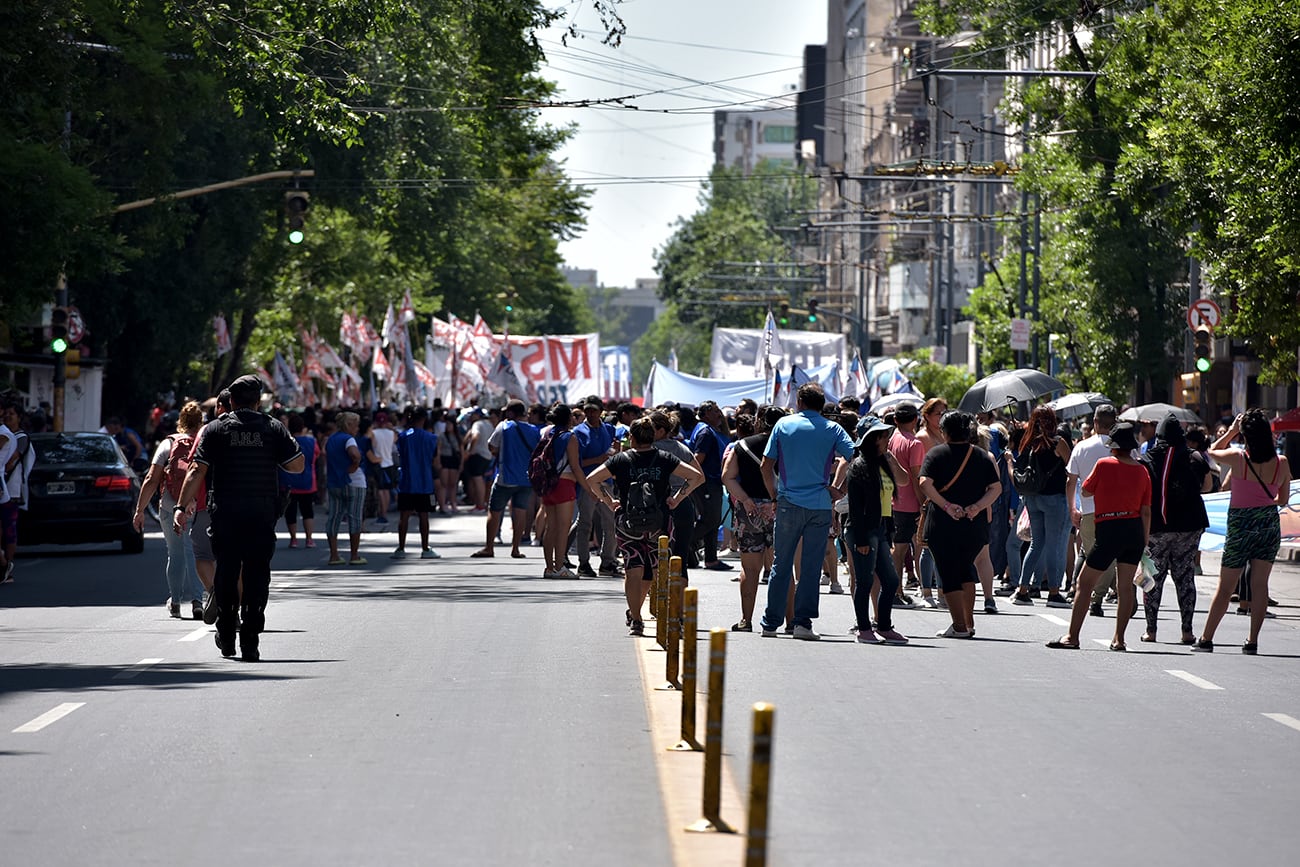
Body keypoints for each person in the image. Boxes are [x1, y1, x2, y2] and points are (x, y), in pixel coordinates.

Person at [173, 376, 303, 661]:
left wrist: (180, 508)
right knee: (257, 576)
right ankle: (251, 641)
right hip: (261, 514)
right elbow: (296, 465)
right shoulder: (273, 428)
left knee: (227, 573)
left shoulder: (216, 429)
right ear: (258, 402)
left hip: (226, 515)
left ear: (230, 401)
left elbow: (196, 470)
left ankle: (227, 635)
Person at [584, 417, 704, 635]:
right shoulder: (665, 458)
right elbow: (696, 477)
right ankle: (669, 617)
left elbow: (592, 479)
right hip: (660, 522)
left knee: (633, 570)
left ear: (632, 437)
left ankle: (636, 618)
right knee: (661, 569)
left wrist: (609, 501)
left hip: (628, 523)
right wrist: (677, 498)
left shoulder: (620, 460)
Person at [758, 383, 856, 641]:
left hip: (789, 502)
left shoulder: (783, 425)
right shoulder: (833, 428)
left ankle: (771, 623)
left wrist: (773, 495)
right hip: (820, 504)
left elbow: (765, 465)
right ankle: (802, 623)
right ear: (821, 404)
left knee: (781, 564)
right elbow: (854, 456)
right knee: (811, 567)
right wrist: (837, 489)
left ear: (800, 401)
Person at [1193, 409, 1292, 654]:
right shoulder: (1282, 462)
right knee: (1260, 586)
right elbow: (1282, 500)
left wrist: (1231, 431)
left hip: (1240, 525)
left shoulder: (1238, 459)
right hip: (1268, 524)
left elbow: (1211, 451)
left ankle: (1206, 638)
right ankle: (1252, 641)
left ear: (1245, 436)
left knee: (1226, 586)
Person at [1047, 423, 1150, 651]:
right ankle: (1119, 639)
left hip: (1109, 527)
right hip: (1133, 530)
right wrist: (1144, 540)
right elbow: (1146, 511)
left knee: (1085, 583)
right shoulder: (1142, 470)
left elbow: (1085, 490)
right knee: (1125, 587)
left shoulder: (1104, 465)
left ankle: (1072, 636)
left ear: (1112, 447)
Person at [919, 411, 1003, 638]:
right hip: (973, 524)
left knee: (949, 573)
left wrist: (946, 505)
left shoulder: (936, 454)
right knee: (966, 569)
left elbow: (925, 483)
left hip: (944, 523)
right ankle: (968, 622)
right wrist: (977, 506)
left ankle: (959, 626)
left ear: (944, 432)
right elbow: (996, 488)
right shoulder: (982, 455)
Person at [1140, 415, 1210, 644]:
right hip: (1189, 528)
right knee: (1185, 576)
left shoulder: (1147, 459)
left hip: (1156, 527)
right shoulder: (1195, 457)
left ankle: (1151, 631)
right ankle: (1187, 632)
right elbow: (1208, 486)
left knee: (1152, 577)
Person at [133, 400, 206, 619]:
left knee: (175, 554)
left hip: (169, 505)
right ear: (201, 421)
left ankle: (175, 602)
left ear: (180, 421)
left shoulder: (168, 444)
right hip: (198, 506)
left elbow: (151, 478)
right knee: (195, 552)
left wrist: (139, 510)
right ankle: (197, 601)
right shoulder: (205, 442)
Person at [841, 416, 909, 645]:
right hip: (862, 531)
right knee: (865, 582)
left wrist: (887, 532)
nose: (886, 439)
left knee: (890, 581)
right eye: (882, 436)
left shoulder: (881, 463)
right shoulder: (858, 467)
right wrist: (861, 538)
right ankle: (863, 629)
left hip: (879, 530)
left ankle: (884, 626)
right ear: (871, 439)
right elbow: (856, 508)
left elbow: (900, 484)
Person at [721, 405, 784, 632]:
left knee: (750, 569)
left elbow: (727, 477)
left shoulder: (742, 445)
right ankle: (791, 620)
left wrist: (745, 500)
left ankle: (746, 620)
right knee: (783, 567)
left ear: (759, 421)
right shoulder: (787, 444)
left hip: (749, 513)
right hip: (781, 509)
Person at [1013, 405, 1073, 608]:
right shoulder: (1058, 442)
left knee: (1036, 544)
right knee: (1055, 546)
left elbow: (1019, 468)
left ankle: (1022, 590)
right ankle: (1054, 593)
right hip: (1055, 498)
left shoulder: (1027, 443)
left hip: (1032, 498)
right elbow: (1071, 467)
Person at [1065, 405, 1121, 618]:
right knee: (1110, 556)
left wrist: (1072, 508)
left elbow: (1071, 481)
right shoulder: (1122, 448)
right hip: (1118, 512)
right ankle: (1100, 596)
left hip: (1088, 511)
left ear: (1095, 422)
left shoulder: (1081, 447)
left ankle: (1093, 597)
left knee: (1094, 556)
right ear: (1114, 422)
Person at [473, 400, 539, 559]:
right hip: (525, 478)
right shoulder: (534, 430)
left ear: (510, 412)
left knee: (494, 511)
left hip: (505, 478)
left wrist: (500, 452)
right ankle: (515, 549)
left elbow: (492, 446)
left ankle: (489, 547)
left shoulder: (503, 426)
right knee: (520, 512)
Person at [572, 397, 619, 577]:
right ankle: (583, 562)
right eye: (588, 410)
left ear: (601, 411)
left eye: (594, 410)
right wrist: (597, 460)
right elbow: (577, 462)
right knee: (585, 523)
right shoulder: (578, 432)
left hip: (607, 483)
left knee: (611, 524)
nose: (591, 413)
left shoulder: (609, 429)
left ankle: (608, 561)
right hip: (587, 484)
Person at [540, 404, 586, 579]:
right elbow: (575, 467)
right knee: (563, 528)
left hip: (548, 484)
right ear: (569, 419)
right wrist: (589, 489)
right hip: (565, 483)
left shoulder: (547, 433)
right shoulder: (570, 437)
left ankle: (549, 568)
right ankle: (560, 567)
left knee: (550, 527)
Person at [887, 402, 924, 609]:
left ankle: (898, 590)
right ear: (915, 419)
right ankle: (895, 592)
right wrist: (922, 504)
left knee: (898, 549)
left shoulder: (892, 438)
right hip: (909, 504)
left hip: (893, 501)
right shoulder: (915, 443)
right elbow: (916, 476)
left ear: (895, 419)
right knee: (901, 550)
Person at [392, 406, 440, 560]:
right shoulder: (431, 438)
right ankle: (425, 548)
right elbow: (435, 460)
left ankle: (401, 548)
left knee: (404, 516)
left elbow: (400, 454)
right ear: (424, 419)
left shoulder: (403, 436)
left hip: (406, 481)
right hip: (425, 482)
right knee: (424, 516)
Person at [691, 400, 733, 571]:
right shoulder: (706, 433)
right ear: (706, 413)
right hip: (706, 482)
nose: (719, 415)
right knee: (710, 519)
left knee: (714, 520)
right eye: (715, 411)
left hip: (713, 482)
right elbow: (698, 459)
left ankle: (711, 559)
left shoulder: (713, 431)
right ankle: (682, 542)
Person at [325, 411, 367, 566]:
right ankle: (354, 555)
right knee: (354, 517)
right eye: (355, 425)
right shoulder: (349, 439)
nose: (357, 428)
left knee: (334, 517)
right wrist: (354, 466)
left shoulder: (331, 440)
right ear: (349, 425)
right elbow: (355, 455)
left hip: (334, 482)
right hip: (353, 482)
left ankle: (334, 554)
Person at [281, 413, 319, 549]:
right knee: (308, 511)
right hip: (307, 480)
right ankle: (309, 539)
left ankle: (294, 539)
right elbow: (315, 458)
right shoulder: (311, 441)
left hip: (288, 481)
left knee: (290, 511)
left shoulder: (285, 441)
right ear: (303, 427)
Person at [461, 407, 494, 513]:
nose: (470, 417)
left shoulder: (477, 424)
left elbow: (476, 436)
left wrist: (469, 451)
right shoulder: (489, 424)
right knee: (481, 479)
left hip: (478, 455)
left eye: (472, 415)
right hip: (487, 456)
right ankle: (481, 503)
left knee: (477, 479)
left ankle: (479, 505)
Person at [369, 411, 397, 525]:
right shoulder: (391, 434)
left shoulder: (373, 433)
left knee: (380, 490)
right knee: (386, 490)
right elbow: (396, 439)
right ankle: (384, 513)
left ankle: (382, 514)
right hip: (389, 463)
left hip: (379, 463)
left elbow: (372, 444)